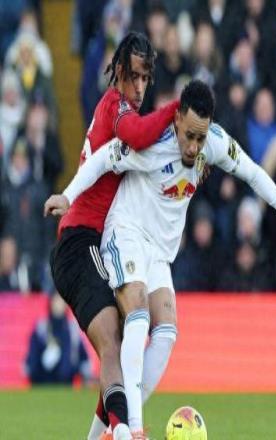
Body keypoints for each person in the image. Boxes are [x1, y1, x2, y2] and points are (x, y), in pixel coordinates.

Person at [45, 80, 276, 437]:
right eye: (189, 136)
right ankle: (133, 429)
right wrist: (67, 195)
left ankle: (106, 433)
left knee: (167, 331)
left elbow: (252, 172)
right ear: (177, 119)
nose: (194, 146)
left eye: (201, 138)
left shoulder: (214, 143)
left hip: (159, 251)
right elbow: (104, 158)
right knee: (137, 315)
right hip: (126, 233)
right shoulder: (153, 144)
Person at [48, 31, 179, 440]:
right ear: (119, 72)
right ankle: (123, 430)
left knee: (122, 343)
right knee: (113, 340)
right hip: (79, 242)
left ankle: (107, 433)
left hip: (94, 243)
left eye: (146, 79)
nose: (140, 88)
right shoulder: (114, 107)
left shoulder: (127, 112)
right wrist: (180, 108)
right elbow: (138, 135)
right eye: (134, 77)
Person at [25, 292, 92, 384]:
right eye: (56, 301)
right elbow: (32, 354)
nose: (58, 305)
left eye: (61, 301)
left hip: (65, 382)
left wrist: (82, 370)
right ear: (50, 303)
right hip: (42, 381)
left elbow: (83, 357)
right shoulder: (41, 328)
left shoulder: (72, 330)